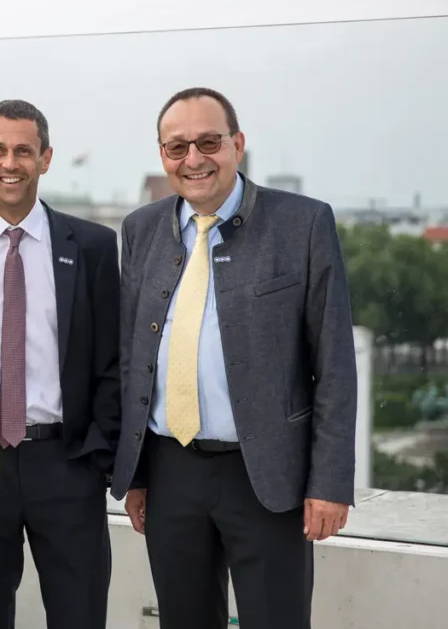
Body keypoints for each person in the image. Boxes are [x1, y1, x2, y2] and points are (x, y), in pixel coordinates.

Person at [111, 86, 357, 629]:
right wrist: (134, 475)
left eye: (208, 142)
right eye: (177, 148)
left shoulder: (303, 223)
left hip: (268, 477)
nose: (193, 159)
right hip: (170, 469)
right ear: (162, 155)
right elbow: (133, 357)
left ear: (237, 144)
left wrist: (330, 483)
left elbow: (335, 363)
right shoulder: (140, 229)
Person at [0, 99, 120, 629]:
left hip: (67, 462)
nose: (10, 163)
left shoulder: (95, 245)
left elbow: (111, 360)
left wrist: (99, 461)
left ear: (46, 158)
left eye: (23, 151)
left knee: (79, 615)